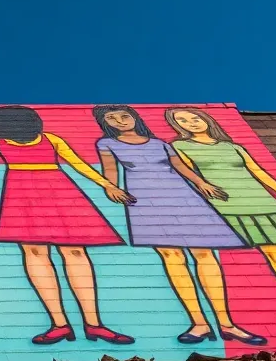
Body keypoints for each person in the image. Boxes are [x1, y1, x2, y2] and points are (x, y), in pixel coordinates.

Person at [93, 105, 266, 346]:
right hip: (145, 201)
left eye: (125, 116)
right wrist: (111, 187)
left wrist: (202, 184)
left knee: (205, 254)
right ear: (105, 123)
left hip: (183, 197)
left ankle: (227, 324)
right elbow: (110, 170)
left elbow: (181, 167)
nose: (120, 121)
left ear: (135, 117)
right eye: (112, 118)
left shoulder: (161, 143)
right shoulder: (107, 144)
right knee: (172, 257)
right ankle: (199, 323)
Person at [165, 107, 276, 343]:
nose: (191, 122)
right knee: (205, 259)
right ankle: (216, 323)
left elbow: (259, 173)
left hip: (261, 206)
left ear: (206, 118)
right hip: (221, 209)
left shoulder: (234, 147)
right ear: (177, 126)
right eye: (182, 120)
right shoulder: (179, 146)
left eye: (195, 117)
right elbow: (187, 175)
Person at [0, 105, 135, 345]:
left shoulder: (51, 139)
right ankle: (59, 324)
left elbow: (78, 164)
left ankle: (94, 324)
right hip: (21, 191)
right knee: (35, 252)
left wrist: (107, 185)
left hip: (59, 189)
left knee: (75, 251)